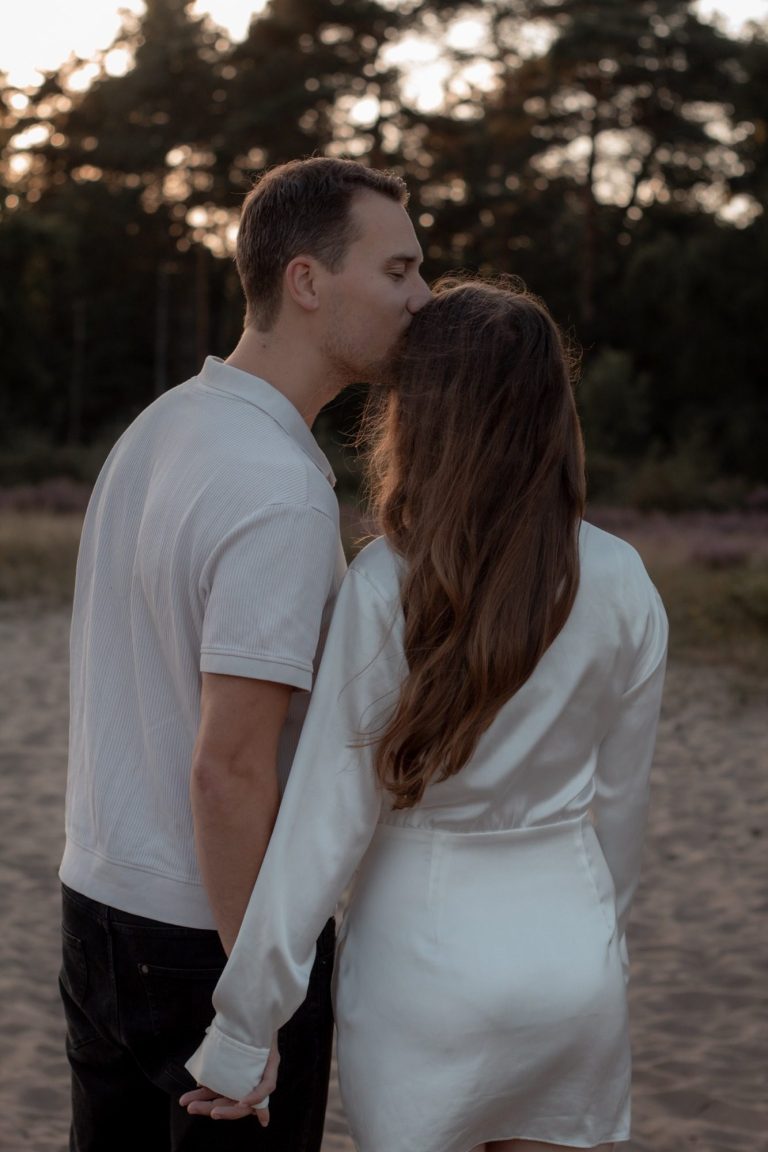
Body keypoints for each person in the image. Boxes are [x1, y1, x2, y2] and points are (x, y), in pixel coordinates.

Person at [180, 276, 668, 1152]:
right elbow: (623, 811)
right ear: (552, 410)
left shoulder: (385, 583)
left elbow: (322, 831)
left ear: (421, 415)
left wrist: (244, 1029)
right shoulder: (627, 578)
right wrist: (603, 947)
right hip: (571, 957)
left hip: (422, 967)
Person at [58, 156, 431, 1152]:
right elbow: (228, 768)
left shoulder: (160, 429)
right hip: (210, 940)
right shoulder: (278, 485)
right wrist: (253, 997)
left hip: (97, 908)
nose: (422, 297)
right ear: (307, 281)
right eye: (397, 270)